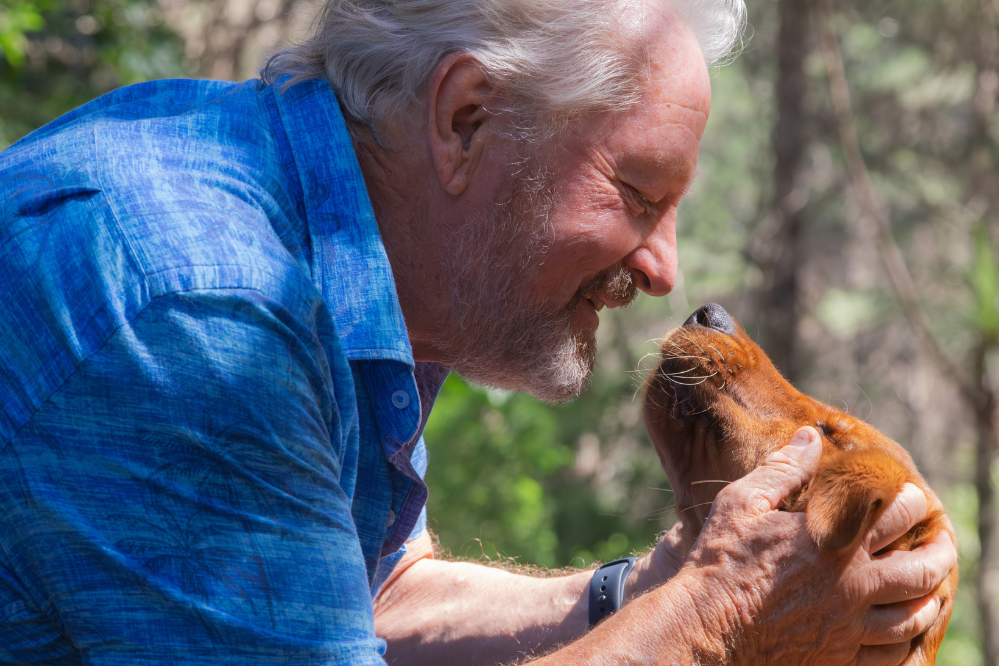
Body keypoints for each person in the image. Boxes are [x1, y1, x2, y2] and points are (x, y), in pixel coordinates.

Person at [0, 0, 956, 664]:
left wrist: (655, 587)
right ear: (464, 119)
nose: (663, 267)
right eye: (634, 194)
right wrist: (716, 614)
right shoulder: (203, 315)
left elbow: (373, 604)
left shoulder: (364, 265)